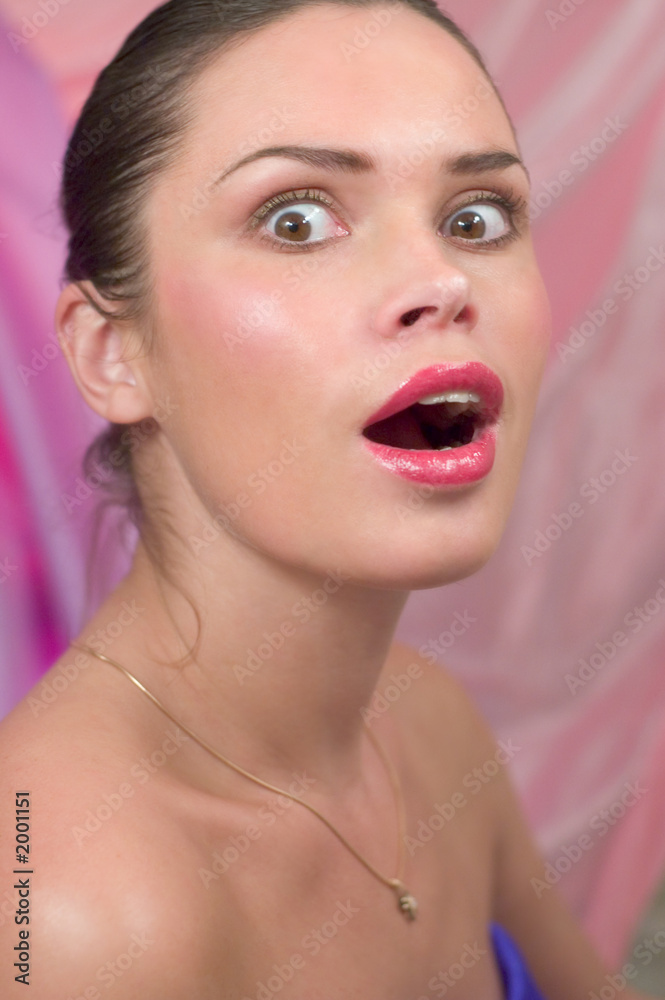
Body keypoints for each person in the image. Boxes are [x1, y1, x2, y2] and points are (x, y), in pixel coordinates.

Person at [0, 1, 656, 997]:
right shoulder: (73, 915)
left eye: (475, 219)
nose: (440, 279)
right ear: (110, 352)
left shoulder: (424, 723)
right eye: (296, 220)